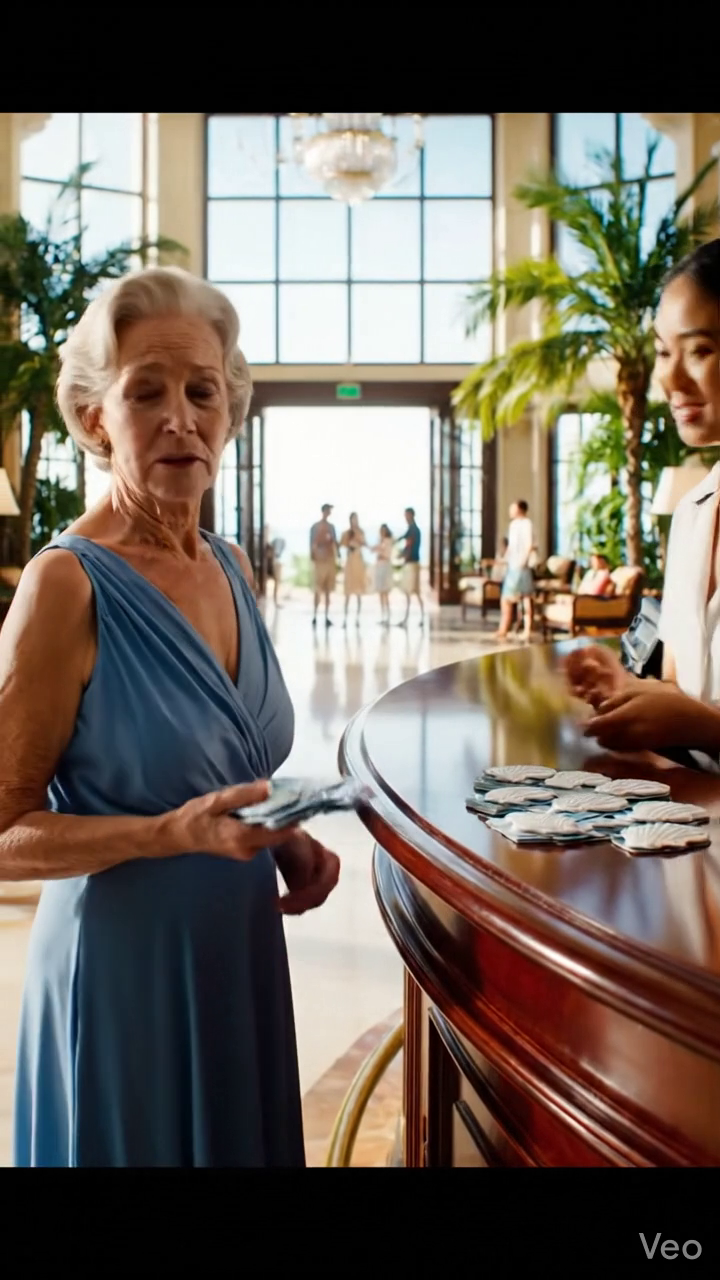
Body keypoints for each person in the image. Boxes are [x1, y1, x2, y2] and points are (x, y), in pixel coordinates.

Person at [0, 265, 340, 1167]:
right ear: (93, 420)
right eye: (145, 391)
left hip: (238, 952)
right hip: (122, 980)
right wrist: (168, 835)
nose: (181, 417)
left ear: (230, 411)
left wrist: (277, 828)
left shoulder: (232, 565)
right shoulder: (64, 584)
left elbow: (219, 762)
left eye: (203, 391)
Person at [566, 238, 720, 767]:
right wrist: (627, 686)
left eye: (700, 350)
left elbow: (699, 718)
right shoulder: (694, 512)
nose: (670, 380)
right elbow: (681, 688)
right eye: (662, 351)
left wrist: (705, 726)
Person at [496, 500, 535, 641]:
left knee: (525, 597)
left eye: (513, 507)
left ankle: (527, 629)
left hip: (522, 566)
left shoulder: (527, 524)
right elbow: (511, 546)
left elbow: (529, 545)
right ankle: (504, 628)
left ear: (520, 509)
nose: (510, 510)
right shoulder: (513, 525)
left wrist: (522, 562)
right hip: (512, 565)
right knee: (507, 598)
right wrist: (504, 559)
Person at [310, 503, 339, 627]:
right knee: (318, 589)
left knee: (327, 590)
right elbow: (312, 544)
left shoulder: (331, 527)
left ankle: (326, 616)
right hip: (320, 561)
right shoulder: (316, 527)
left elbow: (334, 542)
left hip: (329, 560)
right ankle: (315, 615)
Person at [396, 507, 424, 627]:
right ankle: (407, 619)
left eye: (407, 516)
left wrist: (402, 555)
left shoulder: (414, 531)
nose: (406, 518)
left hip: (412, 564)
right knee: (410, 592)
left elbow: (409, 547)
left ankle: (420, 617)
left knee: (415, 591)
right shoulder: (411, 530)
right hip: (410, 563)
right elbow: (404, 540)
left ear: (412, 515)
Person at [340, 512, 367, 627]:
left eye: (356, 519)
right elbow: (342, 544)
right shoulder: (346, 533)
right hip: (350, 563)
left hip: (358, 563)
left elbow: (364, 544)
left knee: (359, 592)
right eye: (353, 519)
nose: (355, 521)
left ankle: (357, 619)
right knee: (348, 592)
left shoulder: (361, 532)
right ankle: (345, 619)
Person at [372, 523, 395, 625]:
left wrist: (381, 554)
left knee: (385, 592)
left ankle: (388, 616)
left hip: (385, 568)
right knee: (381, 593)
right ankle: (383, 615)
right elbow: (375, 550)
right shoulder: (381, 541)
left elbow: (386, 554)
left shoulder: (387, 541)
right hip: (380, 567)